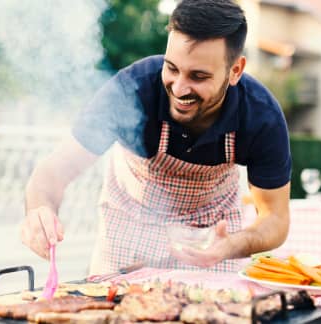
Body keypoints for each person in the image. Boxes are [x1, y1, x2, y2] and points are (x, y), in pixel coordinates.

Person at [21, 0, 292, 274]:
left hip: (211, 240)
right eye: (172, 68)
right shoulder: (132, 89)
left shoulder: (260, 116)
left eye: (198, 76)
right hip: (129, 228)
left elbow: (275, 220)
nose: (179, 87)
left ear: (235, 71)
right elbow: (52, 173)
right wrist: (39, 211)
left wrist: (231, 246)